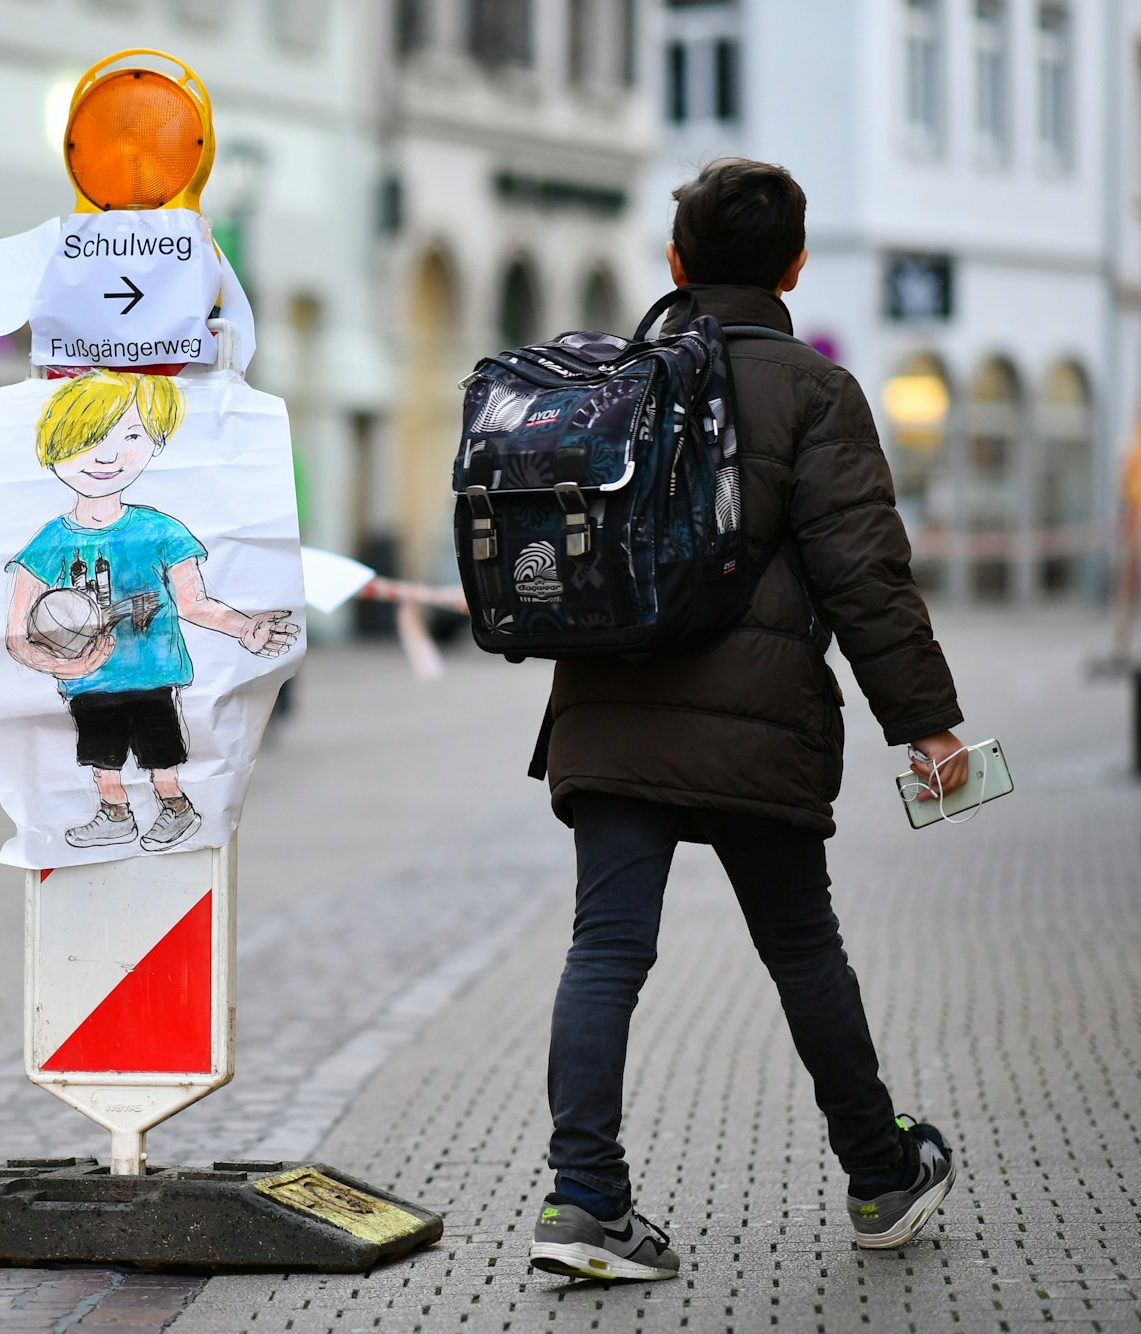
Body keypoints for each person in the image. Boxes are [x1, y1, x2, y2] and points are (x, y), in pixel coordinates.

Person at [527, 159, 969, 1283]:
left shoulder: (615, 373)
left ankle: (583, 1201)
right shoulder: (815, 392)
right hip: (757, 725)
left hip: (609, 710)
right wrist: (924, 722)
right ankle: (878, 1174)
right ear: (795, 264)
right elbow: (864, 574)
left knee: (604, 951)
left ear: (672, 264)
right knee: (800, 949)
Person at [4, 369, 297, 853]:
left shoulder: (162, 531)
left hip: (153, 674)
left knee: (160, 751)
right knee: (101, 756)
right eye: (91, 437)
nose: (107, 453)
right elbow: (17, 633)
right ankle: (114, 814)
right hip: (88, 684)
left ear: (155, 445)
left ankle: (176, 807)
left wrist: (245, 629)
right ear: (55, 446)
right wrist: (65, 664)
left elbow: (194, 603)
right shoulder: (48, 543)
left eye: (131, 435)